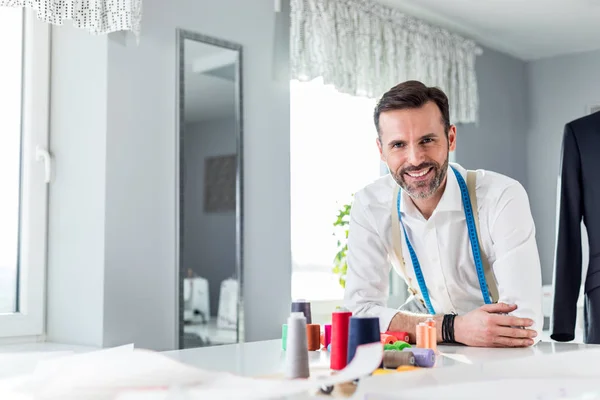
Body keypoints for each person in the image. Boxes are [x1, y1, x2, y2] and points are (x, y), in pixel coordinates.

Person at [343, 80, 543, 347]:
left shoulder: (501, 196)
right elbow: (359, 314)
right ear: (381, 151)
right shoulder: (370, 206)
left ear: (450, 138)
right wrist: (452, 328)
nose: (414, 159)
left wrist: (416, 327)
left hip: (504, 360)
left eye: (427, 140)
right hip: (435, 354)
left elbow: (522, 325)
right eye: (398, 145)